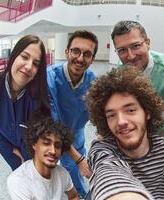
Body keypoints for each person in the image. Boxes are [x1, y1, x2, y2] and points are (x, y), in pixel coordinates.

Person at [86, 67, 164, 200]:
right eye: (111, 115)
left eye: (130, 110)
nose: (121, 121)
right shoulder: (102, 149)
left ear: (147, 112)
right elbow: (108, 173)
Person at [0, 35, 49, 170]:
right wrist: (12, 155)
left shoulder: (37, 96)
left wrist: (29, 163)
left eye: (36, 64)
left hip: (35, 156)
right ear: (14, 56)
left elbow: (37, 135)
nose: (29, 66)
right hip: (11, 153)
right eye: (24, 57)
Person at [47, 30, 97, 197]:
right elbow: (52, 124)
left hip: (76, 135)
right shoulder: (50, 78)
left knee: (76, 170)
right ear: (66, 52)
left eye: (87, 54)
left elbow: (98, 113)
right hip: (53, 134)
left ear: (92, 59)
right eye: (76, 51)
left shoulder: (92, 80)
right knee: (67, 169)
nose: (81, 58)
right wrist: (79, 159)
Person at [111, 20, 164, 130]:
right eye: (122, 50)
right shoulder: (121, 67)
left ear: (148, 43)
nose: (130, 56)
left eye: (135, 46)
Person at [7, 111, 79, 200]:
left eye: (57, 145)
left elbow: (74, 197)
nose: (53, 151)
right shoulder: (18, 181)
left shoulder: (62, 173)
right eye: (46, 143)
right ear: (34, 144)